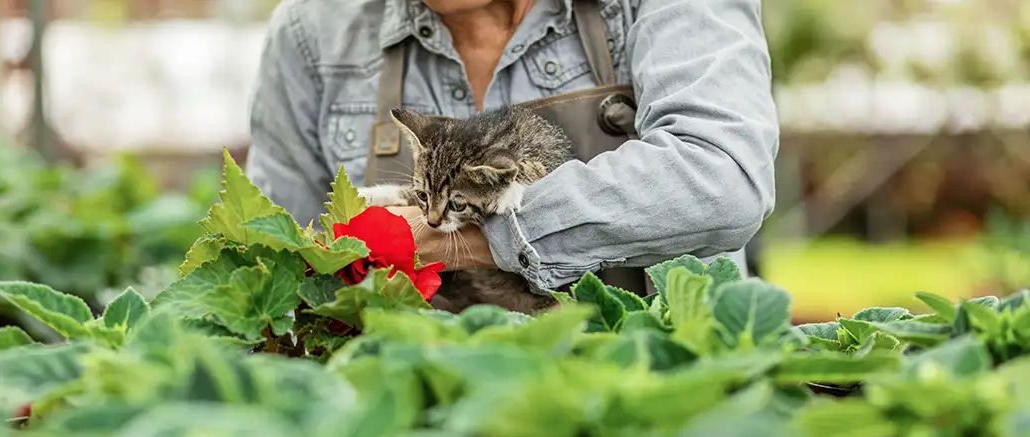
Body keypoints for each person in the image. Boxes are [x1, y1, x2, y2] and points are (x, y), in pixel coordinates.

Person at [245, 0, 778, 297]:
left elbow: (723, 176)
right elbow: (280, 263)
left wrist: (460, 236)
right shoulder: (309, 34)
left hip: (648, 394)